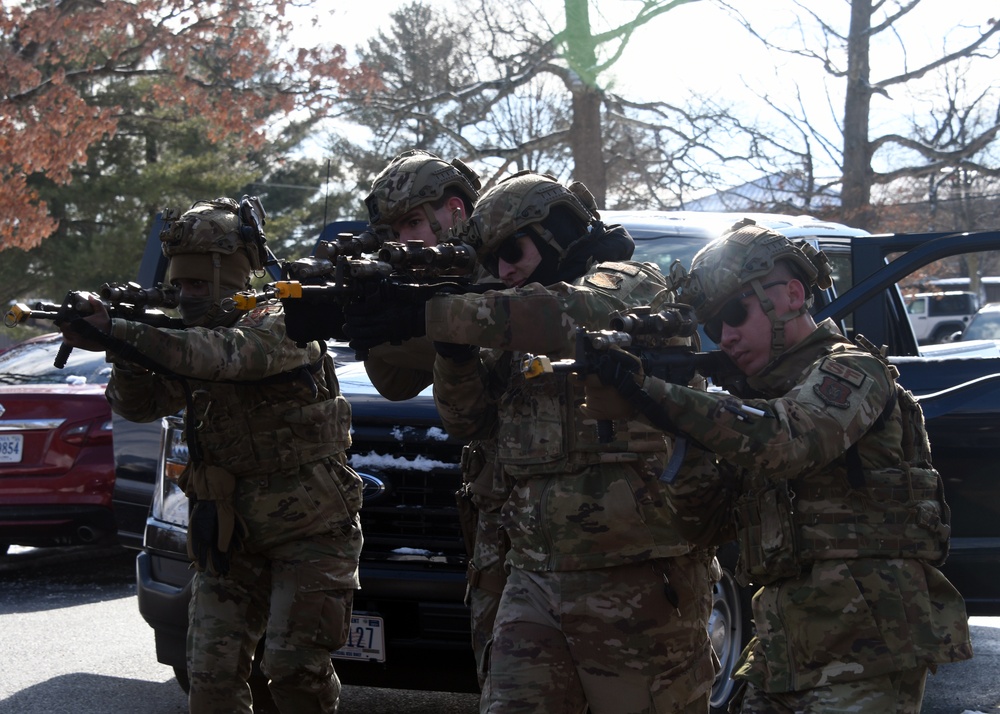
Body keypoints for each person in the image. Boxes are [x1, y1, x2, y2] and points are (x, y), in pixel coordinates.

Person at [589, 218, 974, 713]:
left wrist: (661, 398)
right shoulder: (750, 406)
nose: (724, 337)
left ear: (793, 294)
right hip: (781, 648)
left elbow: (790, 440)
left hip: (866, 646)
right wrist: (674, 431)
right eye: (712, 327)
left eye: (735, 313)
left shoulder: (851, 369)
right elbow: (700, 522)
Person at [422, 171, 720, 713]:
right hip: (533, 574)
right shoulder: (509, 320)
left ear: (555, 232)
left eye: (513, 251)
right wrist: (453, 352)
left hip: (637, 574)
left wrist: (449, 313)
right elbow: (467, 421)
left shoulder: (630, 283)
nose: (504, 270)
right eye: (492, 263)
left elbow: (574, 313)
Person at [59, 197, 362, 714]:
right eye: (179, 285)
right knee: (210, 678)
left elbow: (223, 358)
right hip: (228, 530)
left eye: (198, 284)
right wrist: (124, 352)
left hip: (309, 530)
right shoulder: (189, 333)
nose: (186, 296)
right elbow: (140, 405)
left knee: (295, 673)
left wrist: (124, 332)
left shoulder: (285, 319)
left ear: (234, 278)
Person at [348, 148, 510, 688]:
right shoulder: (427, 282)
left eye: (414, 223)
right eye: (394, 229)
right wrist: (378, 317)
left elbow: (494, 356)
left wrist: (437, 326)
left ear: (457, 212)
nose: (405, 240)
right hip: (491, 503)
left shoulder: (512, 272)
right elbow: (392, 385)